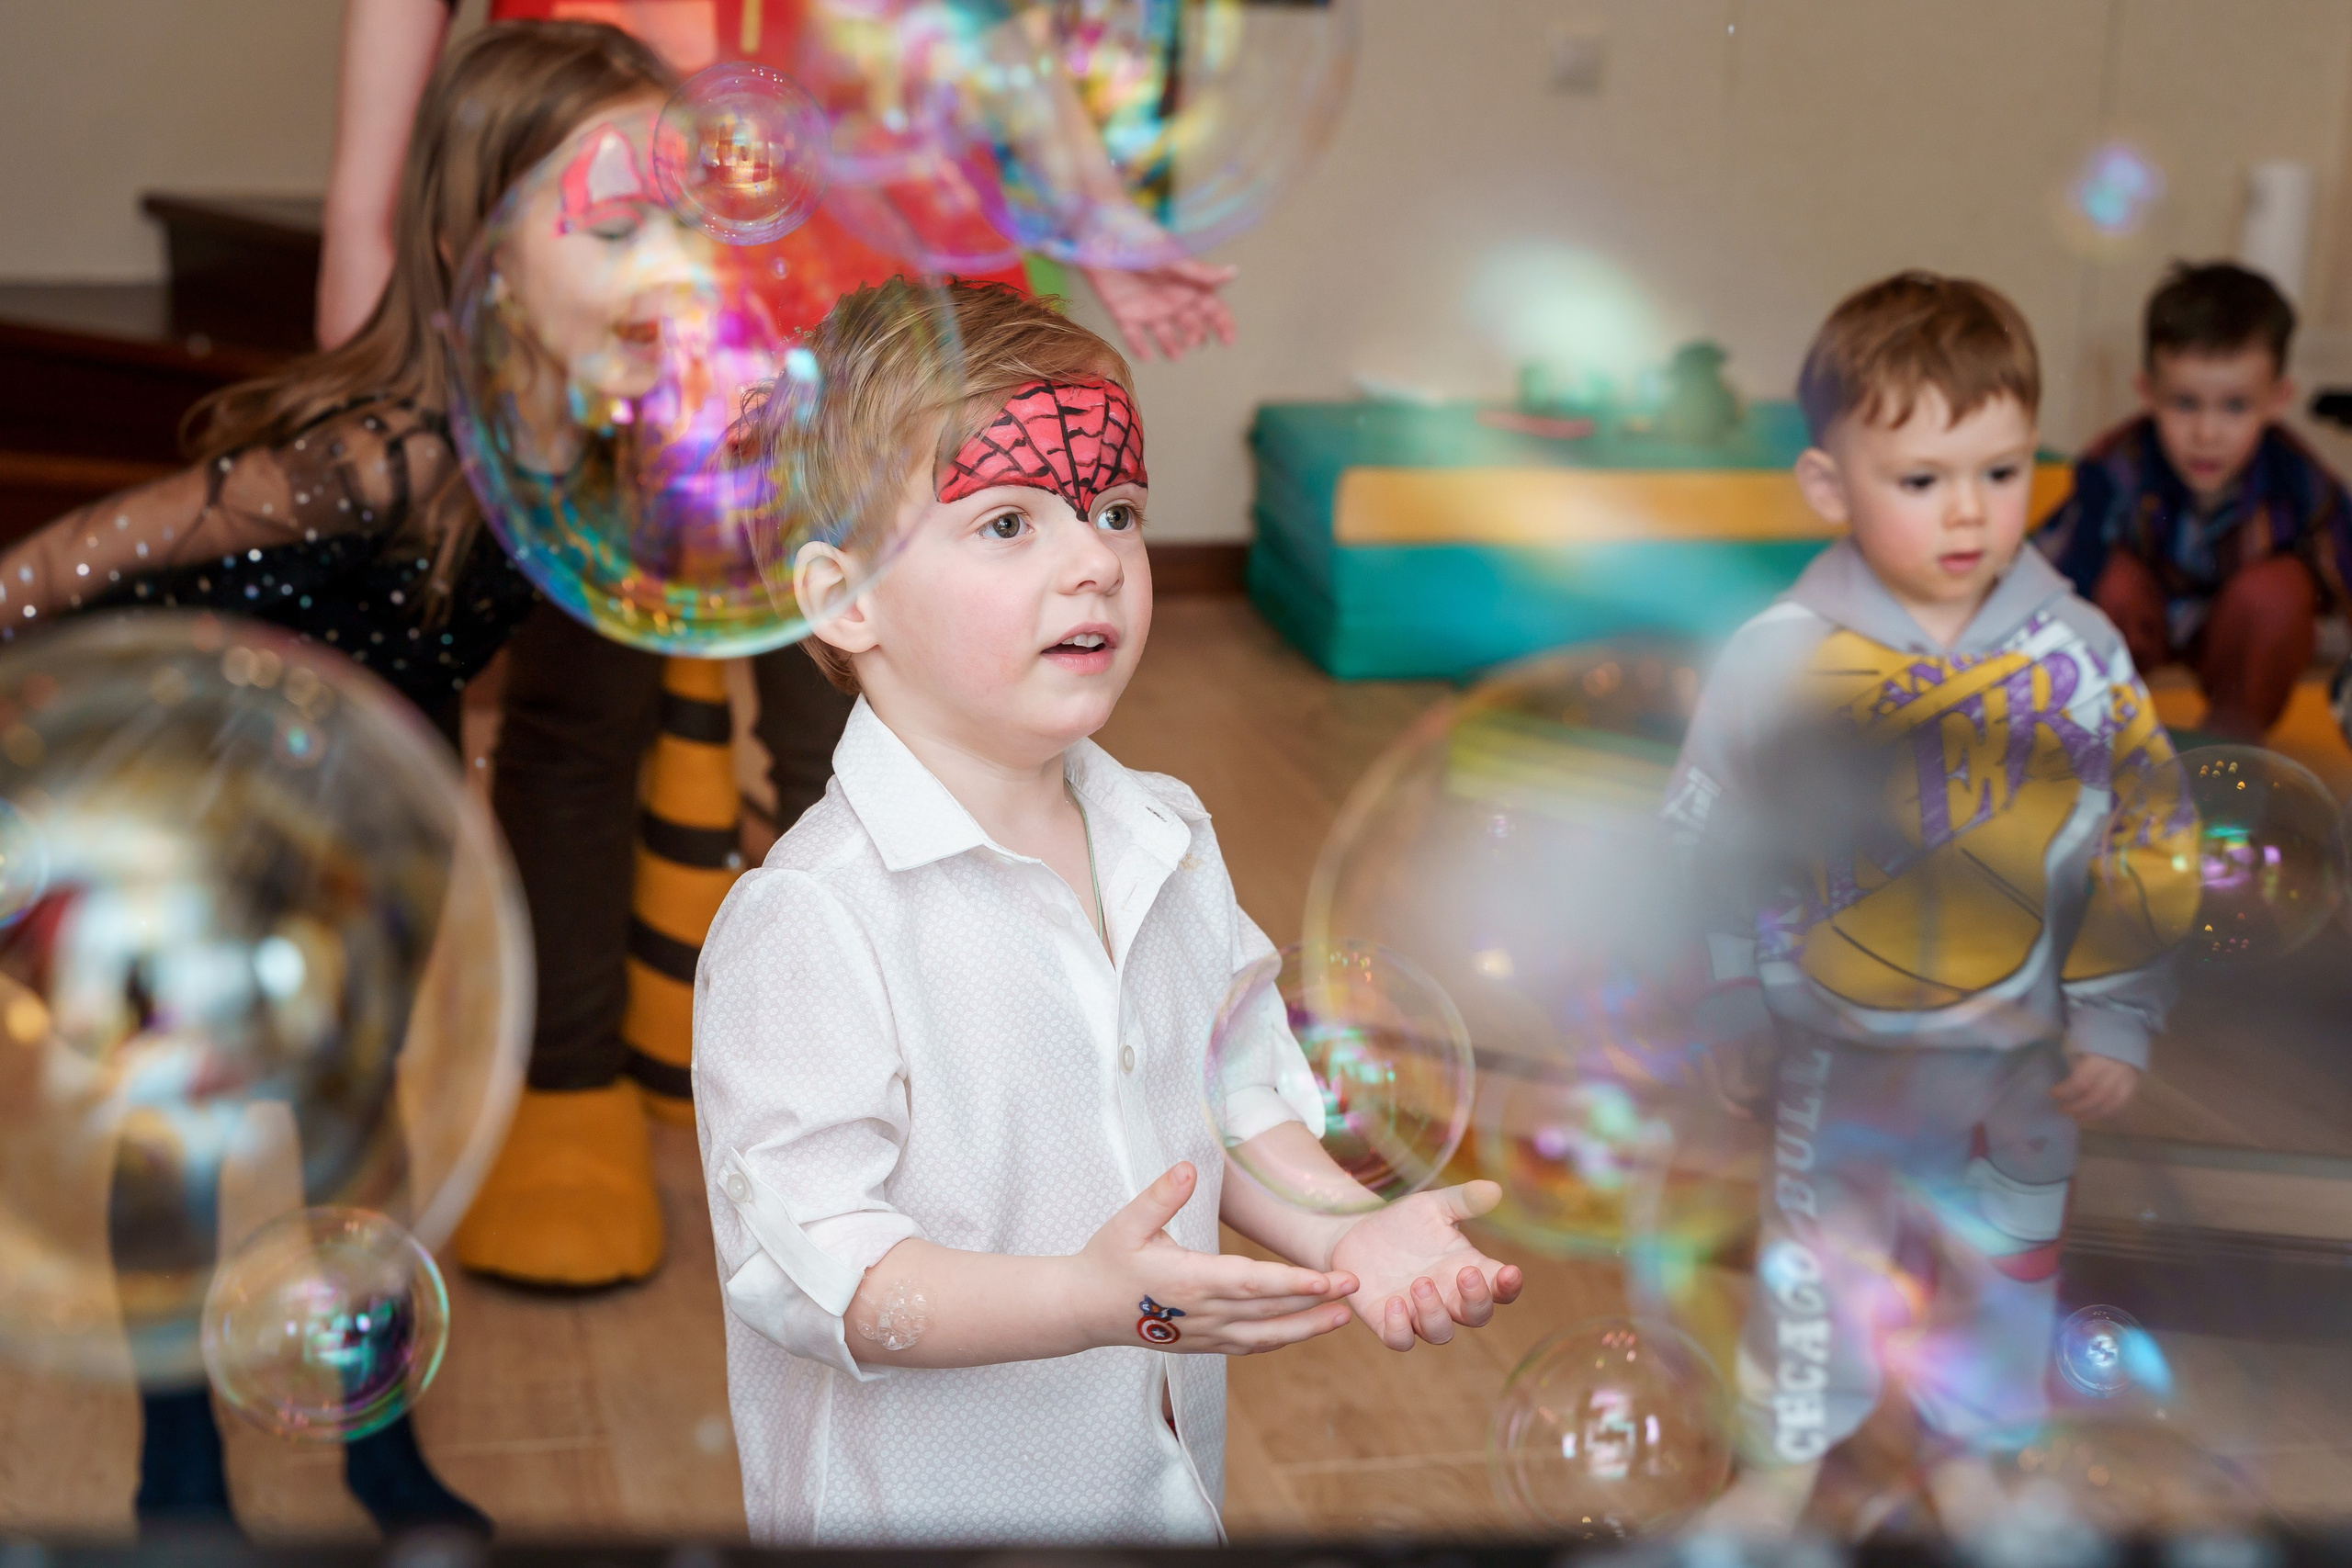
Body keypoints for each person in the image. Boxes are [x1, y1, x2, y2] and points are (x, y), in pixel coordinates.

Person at [318, 1, 1247, 1289]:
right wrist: (382, 377)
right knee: (581, 718)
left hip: (860, 290)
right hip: (610, 305)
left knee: (871, 717)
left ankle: (924, 1078)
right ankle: (567, 1077)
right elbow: (388, 147)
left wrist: (1094, 211)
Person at [0, 22, 732, 1540]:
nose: (665, 257)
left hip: (371, 817)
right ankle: (176, 1466)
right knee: (169, 1140)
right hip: (189, 815)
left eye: (684, 215)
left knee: (359, 1132)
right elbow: (81, 554)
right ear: (477, 255)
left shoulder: (588, 448)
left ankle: (377, 1446)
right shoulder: (376, 452)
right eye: (613, 222)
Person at [691, 277, 1523, 1544]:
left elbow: (1234, 1102)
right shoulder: (811, 924)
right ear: (846, 599)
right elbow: (827, 1278)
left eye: (1116, 510)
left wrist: (1355, 1230)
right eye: (1010, 521)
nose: (1093, 559)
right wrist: (1088, 1296)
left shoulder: (1168, 836)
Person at [1664, 274, 2199, 1536]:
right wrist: (1733, 986)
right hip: (1835, 1053)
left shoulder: (2076, 654)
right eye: (1920, 478)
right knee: (1813, 1268)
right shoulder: (1779, 657)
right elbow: (1708, 835)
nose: (1968, 510)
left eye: (2001, 472)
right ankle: (1785, 1464)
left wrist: (2116, 1010)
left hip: (2016, 1054)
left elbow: (2155, 829)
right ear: (1829, 485)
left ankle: (1975, 1449)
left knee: (2003, 1269)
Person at [2039, 261, 2352, 741]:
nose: (2207, 434)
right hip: (2142, 630)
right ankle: (2099, 737)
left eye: (2235, 406)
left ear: (2277, 400)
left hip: (2238, 645)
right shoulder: (2116, 466)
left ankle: (2228, 752)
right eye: (2185, 403)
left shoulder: (2298, 479)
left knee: (2279, 592)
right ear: (2148, 392)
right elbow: (2054, 570)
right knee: (2106, 581)